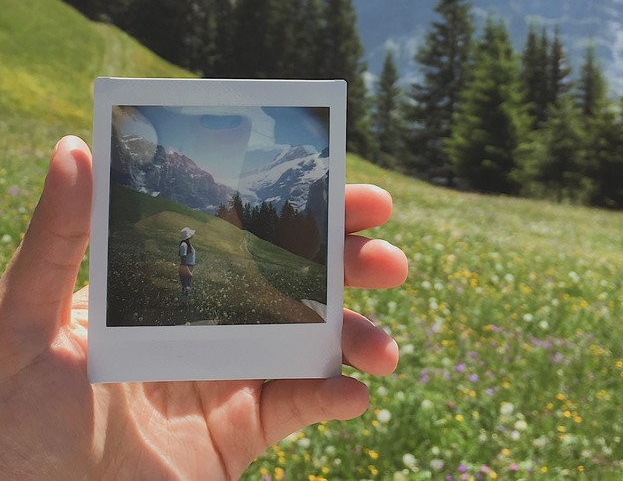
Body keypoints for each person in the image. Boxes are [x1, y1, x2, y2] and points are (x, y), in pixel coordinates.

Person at [0, 136, 408, 480]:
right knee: (187, 285)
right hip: (183, 283)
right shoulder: (182, 244)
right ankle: (185, 297)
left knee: (191, 286)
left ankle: (187, 297)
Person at [179, 226, 196, 296]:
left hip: (189, 267)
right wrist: (188, 272)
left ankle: (184, 301)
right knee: (186, 288)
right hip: (186, 268)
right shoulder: (184, 245)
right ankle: (183, 302)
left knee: (187, 287)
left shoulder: (187, 244)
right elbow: (183, 261)